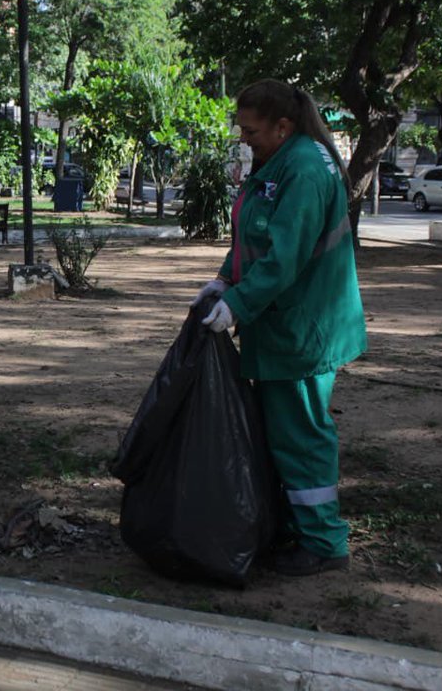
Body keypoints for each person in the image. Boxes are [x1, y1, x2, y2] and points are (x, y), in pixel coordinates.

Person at [191, 79, 367, 577]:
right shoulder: (282, 161)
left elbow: (284, 256)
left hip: (303, 329)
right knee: (284, 433)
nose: (243, 138)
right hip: (286, 324)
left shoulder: (306, 170)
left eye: (250, 130)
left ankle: (324, 543)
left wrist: (238, 304)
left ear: (282, 125)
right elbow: (257, 236)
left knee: (302, 435)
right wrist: (225, 278)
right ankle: (297, 528)